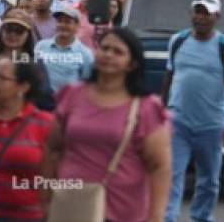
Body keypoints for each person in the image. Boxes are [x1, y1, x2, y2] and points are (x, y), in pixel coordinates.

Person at [41, 29, 171, 222]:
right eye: (104, 48)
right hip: (71, 206)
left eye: (118, 52)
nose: (108, 55)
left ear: (132, 64)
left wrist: (156, 216)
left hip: (122, 211)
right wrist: (46, 198)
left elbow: (160, 166)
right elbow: (52, 149)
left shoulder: (146, 107)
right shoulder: (72, 95)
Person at [163, 0, 224, 222]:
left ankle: (201, 217)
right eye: (197, 12)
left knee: (209, 180)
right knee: (171, 175)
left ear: (216, 16)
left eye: (206, 13)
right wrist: (160, 114)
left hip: (211, 125)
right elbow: (169, 78)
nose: (200, 17)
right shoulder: (177, 41)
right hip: (178, 122)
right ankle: (167, 218)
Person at [0, 57, 55, 222]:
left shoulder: (45, 123)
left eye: (1, 78)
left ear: (23, 86)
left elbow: (53, 177)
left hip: (28, 216)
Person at [0, 8, 54, 110]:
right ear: (1, 30)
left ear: (28, 34)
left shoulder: (34, 62)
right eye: (8, 28)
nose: (13, 34)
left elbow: (45, 98)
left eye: (19, 31)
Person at [35, 6, 95, 94]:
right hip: (42, 102)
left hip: (69, 104)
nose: (62, 25)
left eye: (67, 22)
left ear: (77, 25)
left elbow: (87, 84)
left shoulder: (85, 54)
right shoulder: (41, 46)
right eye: (59, 21)